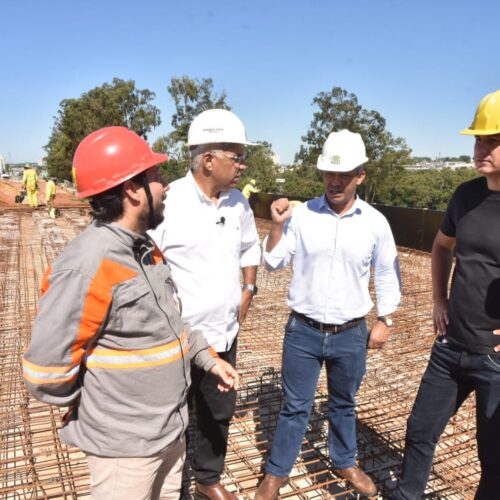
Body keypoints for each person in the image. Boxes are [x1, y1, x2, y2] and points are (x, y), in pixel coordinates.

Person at [22, 126, 239, 500]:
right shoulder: (89, 263)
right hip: (124, 449)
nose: (166, 186)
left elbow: (168, 325)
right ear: (131, 189)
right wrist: (100, 407)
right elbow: (45, 371)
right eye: (155, 177)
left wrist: (207, 358)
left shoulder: (145, 249)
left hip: (169, 434)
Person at [255, 130, 401, 499]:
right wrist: (275, 225)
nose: (334, 181)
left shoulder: (375, 222)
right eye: (328, 174)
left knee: (343, 403)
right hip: (303, 331)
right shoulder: (302, 216)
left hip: (350, 333)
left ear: (360, 176)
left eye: (344, 174)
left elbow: (386, 272)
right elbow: (272, 262)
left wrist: (385, 319)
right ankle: (276, 472)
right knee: (295, 406)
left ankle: (345, 460)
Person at [393, 91, 500, 499]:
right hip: (450, 348)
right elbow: (441, 246)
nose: (480, 148)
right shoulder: (466, 195)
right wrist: (439, 299)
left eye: (492, 139)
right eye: (477, 139)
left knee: (493, 459)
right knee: (420, 432)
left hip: (495, 359)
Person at [150, 109, 261, 500]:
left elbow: (250, 248)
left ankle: (207, 481)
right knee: (170, 418)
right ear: (209, 159)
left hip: (223, 336)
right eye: (236, 155)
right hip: (177, 340)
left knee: (218, 412)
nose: (242, 165)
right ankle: (167, 485)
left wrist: (248, 289)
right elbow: (144, 259)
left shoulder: (238, 205)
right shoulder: (170, 201)